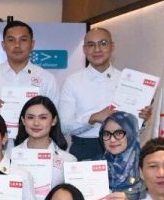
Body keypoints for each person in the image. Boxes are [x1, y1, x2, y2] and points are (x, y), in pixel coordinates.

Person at [59, 27, 153, 161]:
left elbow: (134, 129)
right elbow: (64, 126)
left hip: (122, 149)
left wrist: (142, 119)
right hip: (85, 149)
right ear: (84, 50)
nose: (97, 49)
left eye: (103, 43)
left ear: (112, 47)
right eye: (91, 45)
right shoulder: (72, 81)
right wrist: (92, 118)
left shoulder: (127, 80)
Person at [0, 20, 59, 133]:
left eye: (23, 40)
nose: (17, 45)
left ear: (32, 44)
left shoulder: (47, 79)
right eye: (11, 40)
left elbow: (55, 116)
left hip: (34, 142)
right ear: (3, 45)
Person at [12, 95, 76, 200]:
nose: (36, 123)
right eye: (30, 117)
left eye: (43, 117)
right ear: (23, 120)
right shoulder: (9, 157)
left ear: (54, 120)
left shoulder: (68, 161)